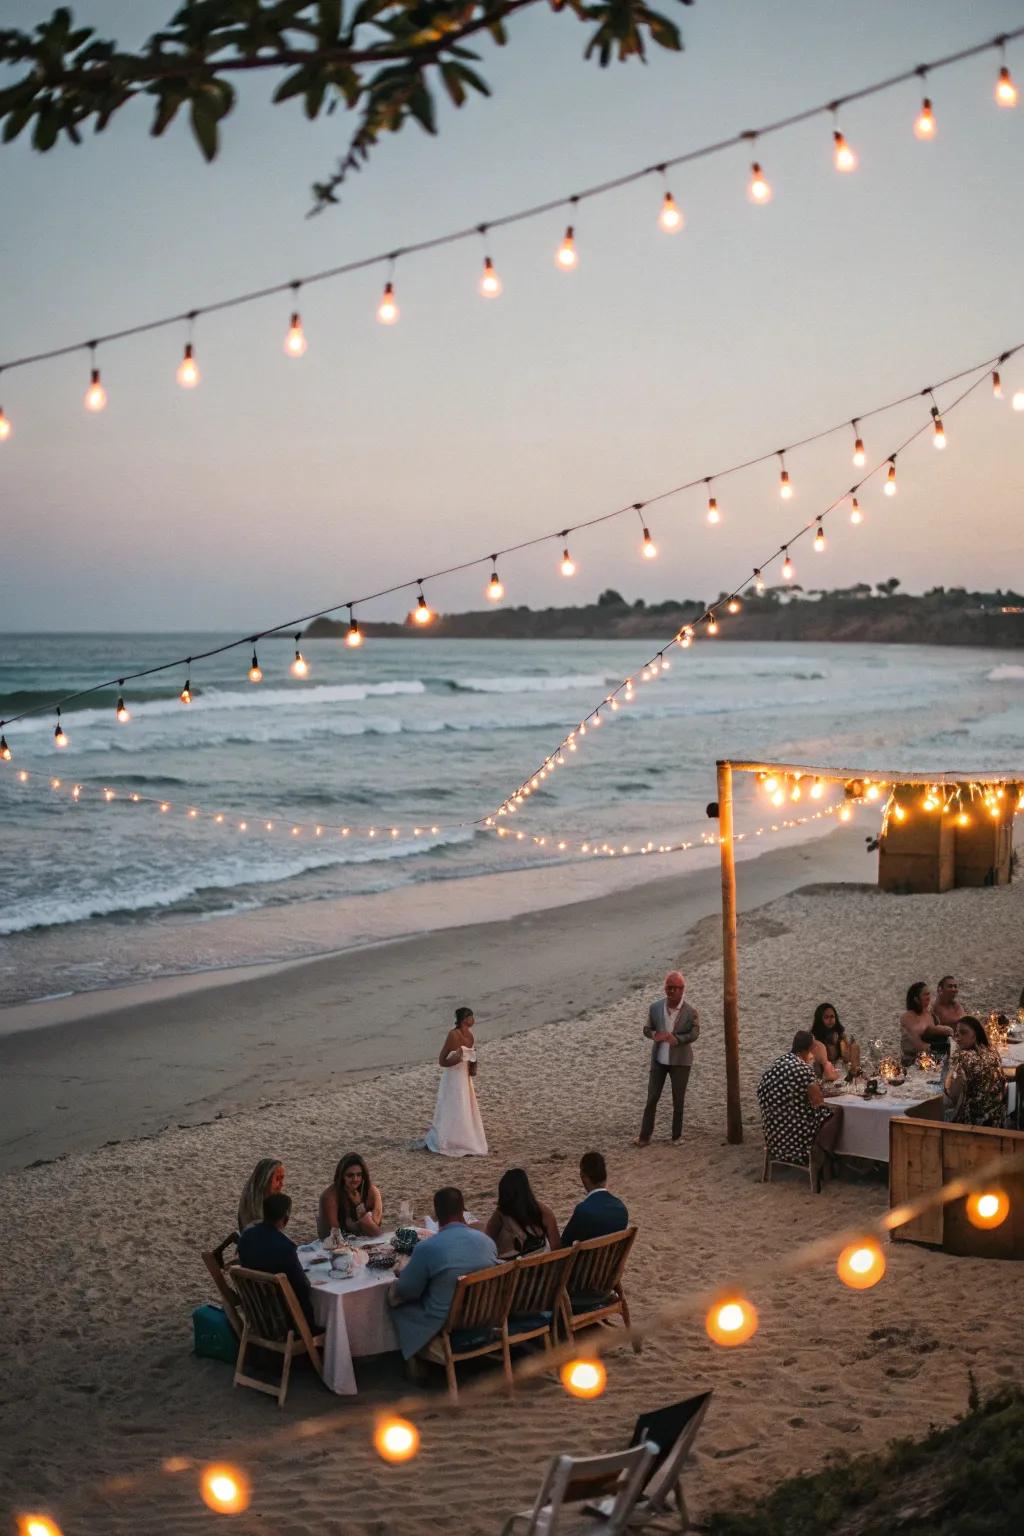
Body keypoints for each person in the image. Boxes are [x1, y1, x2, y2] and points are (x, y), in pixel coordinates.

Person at [387, 1186, 498, 1360]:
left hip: (446, 1323)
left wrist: (401, 1275)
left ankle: (405, 1361)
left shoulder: (427, 1248)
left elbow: (407, 1291)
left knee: (395, 1303)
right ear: (463, 1209)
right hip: (483, 1315)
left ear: (437, 1213)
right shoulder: (487, 1242)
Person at [757, 1030, 844, 1170]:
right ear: (810, 1049)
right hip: (797, 1136)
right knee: (836, 1113)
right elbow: (818, 1101)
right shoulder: (803, 1069)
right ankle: (827, 1156)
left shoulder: (777, 1063)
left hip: (774, 1134)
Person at [634, 970, 700, 1146]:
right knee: (652, 1097)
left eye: (674, 988)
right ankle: (644, 1136)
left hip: (681, 1062)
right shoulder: (655, 1008)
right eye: (667, 988)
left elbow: (695, 1033)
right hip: (658, 1061)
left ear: (682, 989)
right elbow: (646, 1029)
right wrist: (655, 1034)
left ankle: (676, 1136)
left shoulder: (690, 1011)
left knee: (678, 1100)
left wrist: (678, 1040)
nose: (670, 992)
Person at [236, 1191, 316, 1331]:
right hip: (284, 1320)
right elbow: (302, 1287)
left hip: (257, 1313)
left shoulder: (246, 1237)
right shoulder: (285, 1247)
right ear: (286, 1217)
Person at [423, 1006, 488, 1157]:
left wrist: (472, 1065)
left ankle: (463, 1138)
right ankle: (447, 1139)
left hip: (464, 1079)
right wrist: (457, 1058)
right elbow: (442, 1061)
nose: (474, 1020)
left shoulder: (471, 1036)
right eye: (471, 1017)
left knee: (464, 1106)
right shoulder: (453, 1035)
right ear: (465, 1019)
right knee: (451, 1106)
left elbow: (472, 1059)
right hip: (452, 1078)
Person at [484, 1168, 561, 1259]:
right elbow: (556, 1247)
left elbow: (485, 1242)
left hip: (514, 1270)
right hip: (543, 1269)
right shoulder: (543, 1210)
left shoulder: (501, 1215)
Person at [944, 1016, 1006, 1127]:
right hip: (997, 1120)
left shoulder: (963, 1056)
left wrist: (953, 1059)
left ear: (975, 1035)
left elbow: (952, 1096)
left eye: (963, 1033)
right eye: (957, 1034)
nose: (958, 1038)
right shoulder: (992, 1051)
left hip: (974, 1124)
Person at [561, 1151, 628, 1246]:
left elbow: (564, 1244)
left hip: (587, 1261)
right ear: (605, 1176)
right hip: (611, 1260)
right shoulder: (621, 1209)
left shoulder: (584, 1211)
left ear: (583, 1176)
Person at [317, 1153, 383, 1239]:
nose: (355, 1179)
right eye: (350, 1175)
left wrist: (359, 1206)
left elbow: (376, 1230)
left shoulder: (372, 1192)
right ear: (341, 1176)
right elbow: (334, 1234)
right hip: (335, 1245)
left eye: (359, 1175)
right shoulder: (330, 1197)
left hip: (368, 1242)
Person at [900, 982, 953, 1066]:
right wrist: (933, 1051)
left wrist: (949, 1031)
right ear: (916, 999)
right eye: (925, 994)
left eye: (929, 994)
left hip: (932, 1052)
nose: (929, 997)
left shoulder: (929, 1013)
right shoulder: (908, 1017)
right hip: (913, 1059)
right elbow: (916, 1042)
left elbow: (935, 1029)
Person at [237, 1157, 285, 1233]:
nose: (282, 1184)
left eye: (282, 1179)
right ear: (265, 1181)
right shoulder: (254, 1212)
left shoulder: (273, 1202)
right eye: (278, 1179)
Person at [810, 1002, 846, 1082]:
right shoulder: (814, 1040)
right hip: (820, 1077)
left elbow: (845, 1059)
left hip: (837, 1075)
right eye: (826, 1017)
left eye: (832, 1017)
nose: (830, 1020)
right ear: (820, 1020)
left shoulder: (840, 1036)